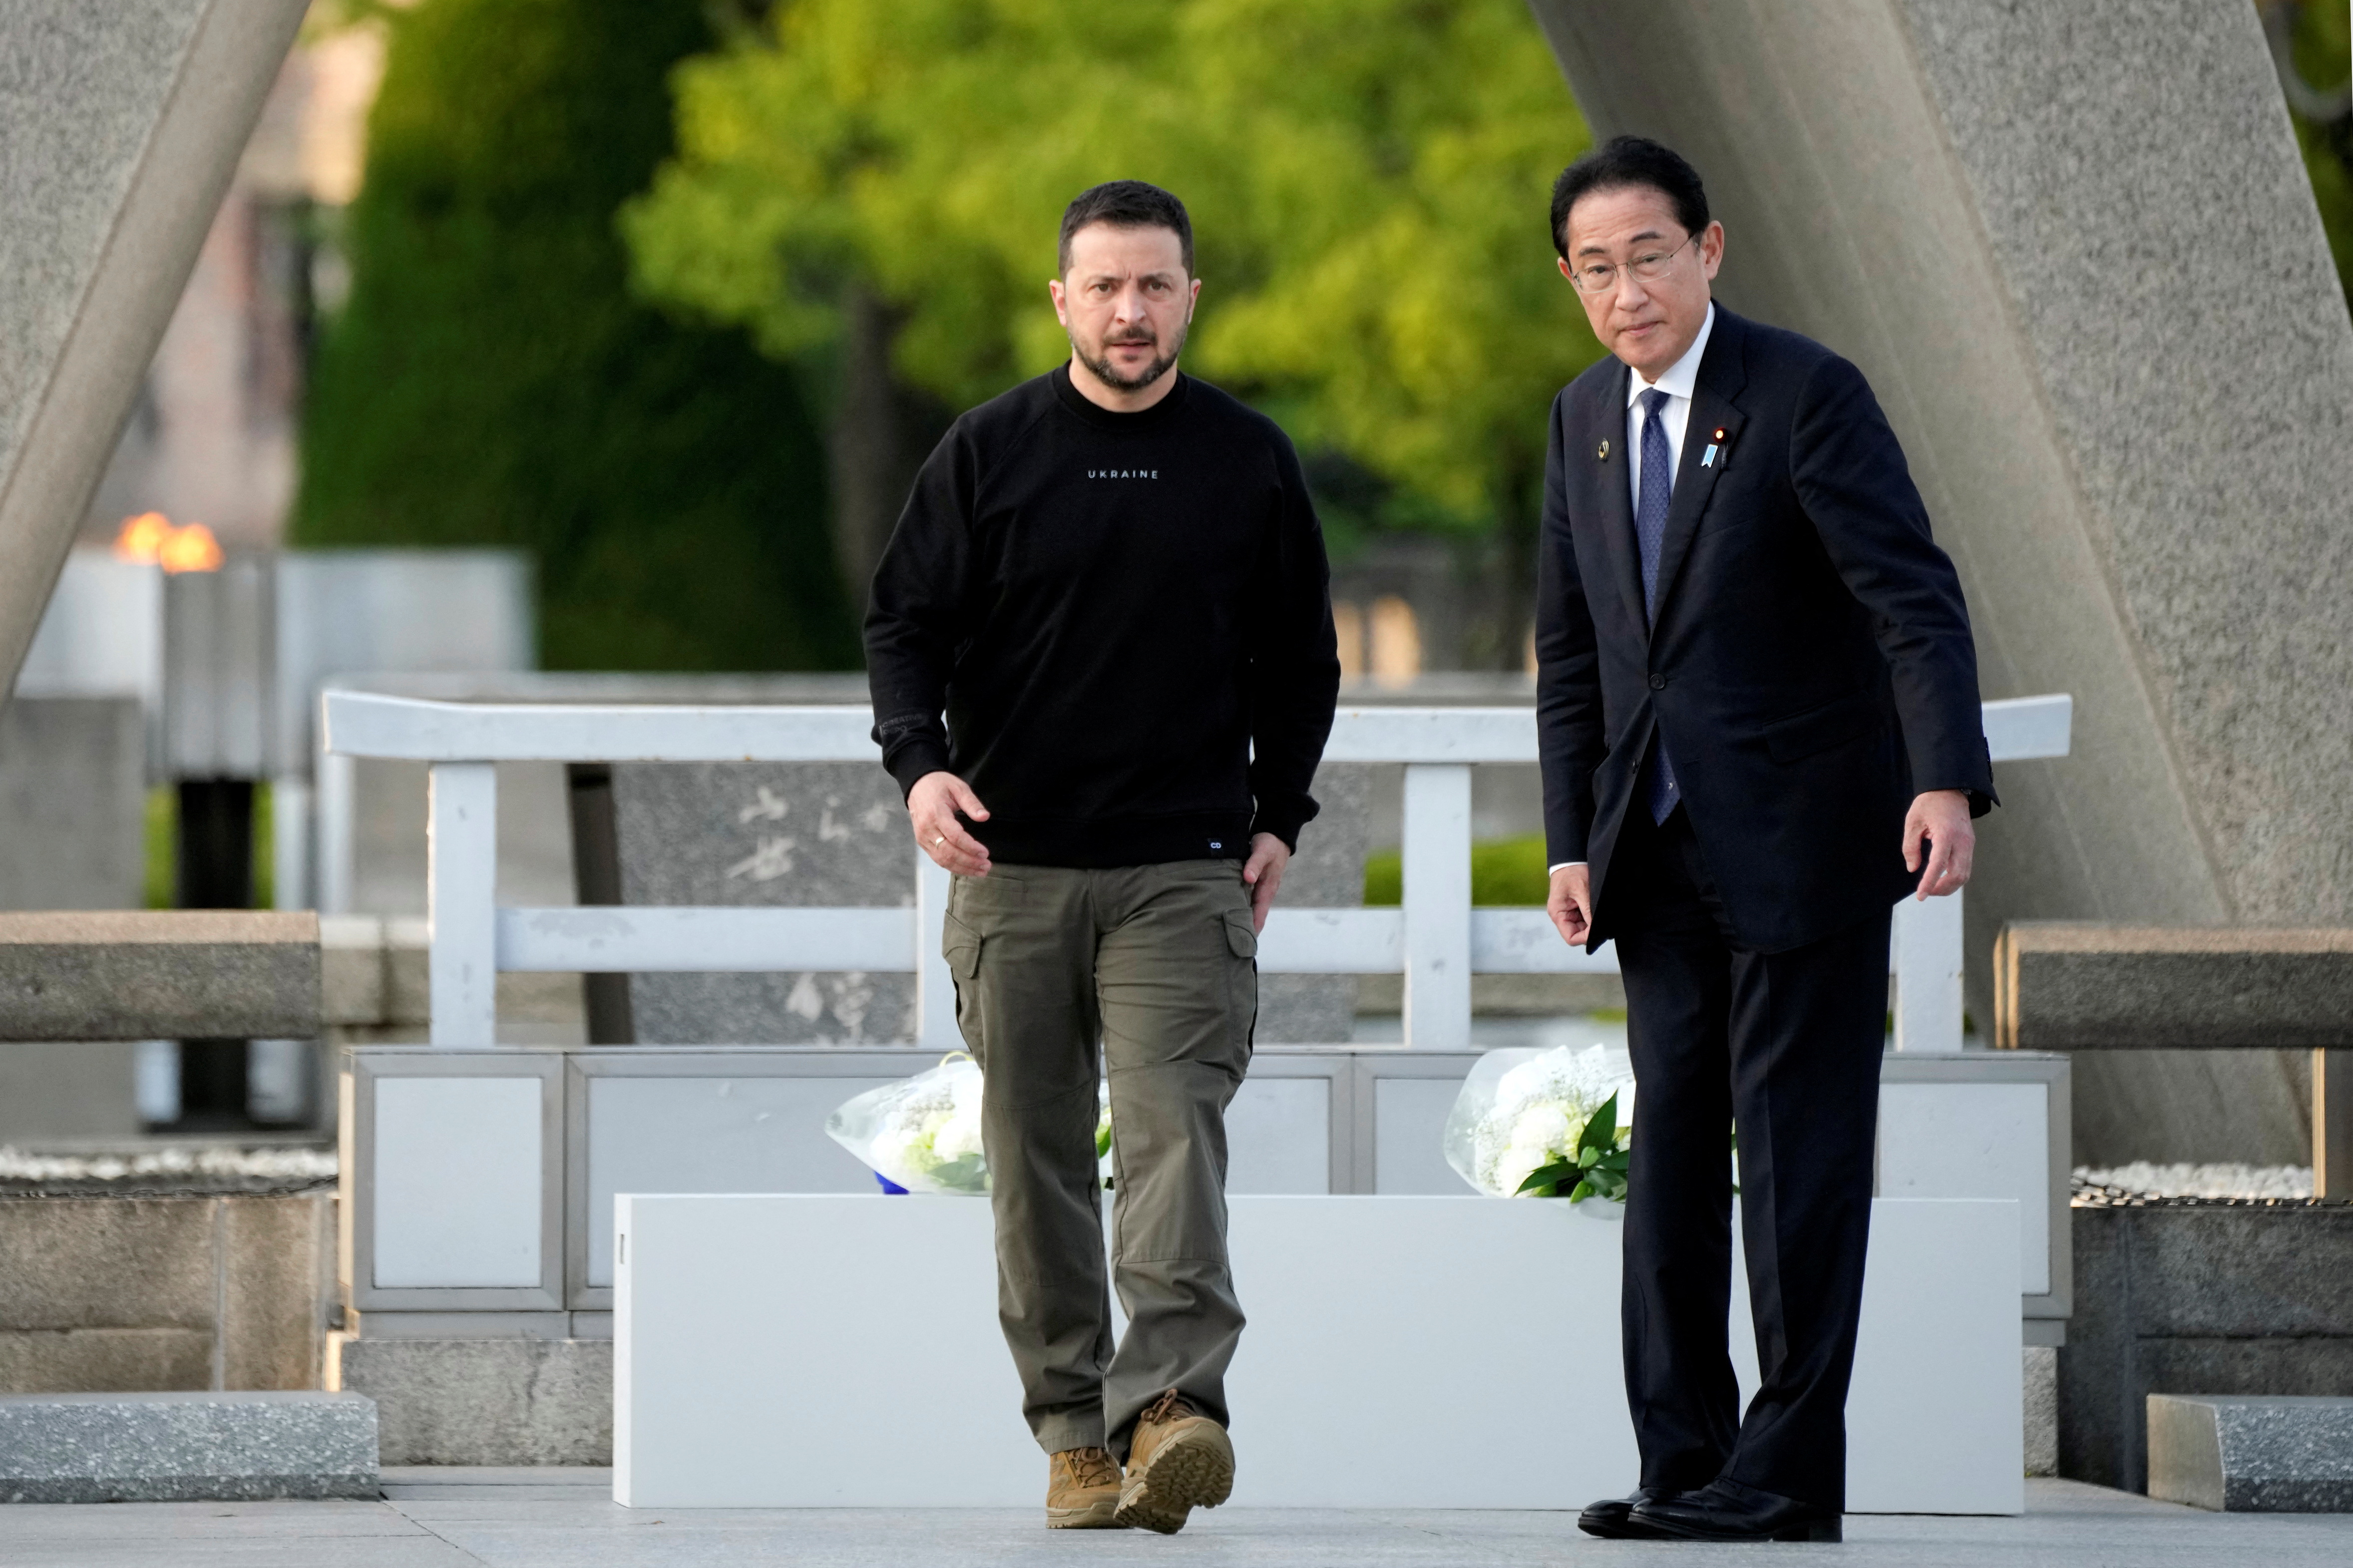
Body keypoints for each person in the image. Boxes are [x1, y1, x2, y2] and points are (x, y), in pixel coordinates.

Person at [1532, 136, 1995, 1544]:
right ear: (1571, 280)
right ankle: (1682, 1459)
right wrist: (1570, 837)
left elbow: (1911, 597)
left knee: (1797, 1165)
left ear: (1711, 249)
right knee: (1669, 1157)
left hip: (1806, 846)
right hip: (1651, 855)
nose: (1629, 291)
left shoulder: (1803, 395)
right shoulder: (1580, 420)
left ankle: (1785, 1475)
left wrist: (1945, 781)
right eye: (1598, 268)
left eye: (1651, 256)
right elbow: (1571, 648)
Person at [863, 179, 1341, 1535]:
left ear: (1192, 296)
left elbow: (1301, 661)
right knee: (1035, 1161)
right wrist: (921, 763)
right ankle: (1076, 1434)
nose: (1130, 311)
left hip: (1184, 870)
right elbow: (902, 624)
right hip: (1010, 871)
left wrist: (1277, 814)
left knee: (1173, 1132)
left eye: (1155, 285)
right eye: (1106, 286)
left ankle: (1174, 1406)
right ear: (1062, 299)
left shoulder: (1247, 458)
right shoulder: (986, 451)